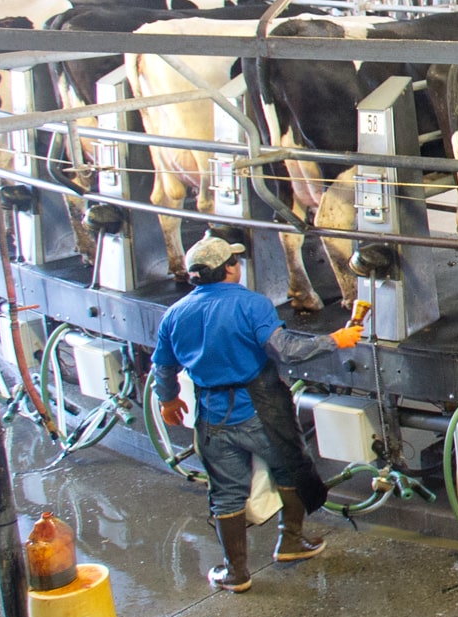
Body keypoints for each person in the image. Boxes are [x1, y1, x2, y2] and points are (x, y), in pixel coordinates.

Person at [152, 235, 363, 592]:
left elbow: (163, 367)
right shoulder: (251, 304)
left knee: (226, 492)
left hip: (211, 412)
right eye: (234, 261)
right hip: (260, 406)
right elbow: (286, 350)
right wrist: (335, 340)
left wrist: (169, 401)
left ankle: (236, 573)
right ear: (228, 269)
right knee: (290, 471)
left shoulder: (175, 314)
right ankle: (291, 542)